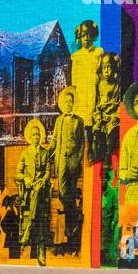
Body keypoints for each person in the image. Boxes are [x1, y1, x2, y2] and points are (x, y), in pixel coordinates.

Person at [50, 86, 86, 253]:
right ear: (62, 104)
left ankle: (71, 225)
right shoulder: (59, 120)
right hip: (61, 160)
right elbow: (55, 140)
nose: (68, 105)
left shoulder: (79, 121)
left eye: (70, 102)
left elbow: (81, 144)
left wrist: (78, 160)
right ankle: (69, 222)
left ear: (73, 104)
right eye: (65, 102)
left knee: (70, 194)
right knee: (64, 193)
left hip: (72, 162)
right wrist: (48, 154)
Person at [15, 119, 53, 266]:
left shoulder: (45, 153)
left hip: (41, 191)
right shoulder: (25, 154)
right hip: (29, 193)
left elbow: (48, 172)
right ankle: (32, 227)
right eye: (34, 136)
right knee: (40, 217)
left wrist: (42, 181)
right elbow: (17, 174)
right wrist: (25, 179)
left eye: (38, 135)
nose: (36, 138)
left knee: (41, 219)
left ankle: (29, 227)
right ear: (30, 138)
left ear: (41, 137)